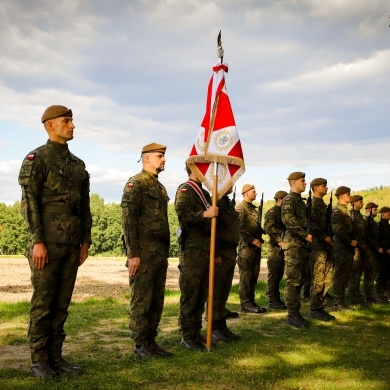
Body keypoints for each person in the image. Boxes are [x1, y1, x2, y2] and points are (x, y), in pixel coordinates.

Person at [18, 105, 92, 378]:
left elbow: (84, 207)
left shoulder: (77, 165)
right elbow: (30, 204)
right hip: (46, 242)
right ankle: (39, 361)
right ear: (50, 125)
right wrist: (37, 240)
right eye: (67, 121)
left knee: (61, 304)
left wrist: (85, 240)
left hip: (71, 244)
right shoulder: (36, 159)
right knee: (43, 303)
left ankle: (55, 358)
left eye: (72, 121)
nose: (72, 125)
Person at [121, 143, 171, 358]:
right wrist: (132, 254)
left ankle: (151, 340)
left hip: (158, 252)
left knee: (156, 299)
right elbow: (128, 220)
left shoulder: (159, 187)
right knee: (142, 299)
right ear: (147, 158)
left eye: (163, 156)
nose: (164, 159)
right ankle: (141, 344)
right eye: (160, 156)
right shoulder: (136, 183)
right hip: (142, 252)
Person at [175, 163, 219, 350]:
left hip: (205, 251)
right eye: (203, 169)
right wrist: (204, 214)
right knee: (190, 295)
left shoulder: (205, 193)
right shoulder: (186, 190)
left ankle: (196, 332)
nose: (206, 172)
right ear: (193, 169)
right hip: (192, 251)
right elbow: (183, 217)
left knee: (201, 294)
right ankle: (187, 335)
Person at [281, 172, 312, 327]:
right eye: (302, 181)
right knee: (293, 280)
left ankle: (296, 312)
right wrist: (305, 235)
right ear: (293, 183)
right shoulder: (289, 200)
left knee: (301, 278)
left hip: (301, 246)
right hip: (293, 245)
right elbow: (289, 222)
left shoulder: (301, 201)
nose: (305, 183)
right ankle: (292, 314)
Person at [211, 187, 241, 342]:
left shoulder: (226, 202)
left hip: (229, 251)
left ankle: (222, 325)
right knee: (216, 292)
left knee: (224, 292)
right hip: (220, 252)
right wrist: (215, 254)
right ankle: (214, 327)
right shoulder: (215, 201)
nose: (232, 184)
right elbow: (214, 230)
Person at [236, 184, 267, 314]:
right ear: (246, 193)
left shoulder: (253, 209)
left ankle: (250, 301)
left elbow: (254, 226)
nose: (255, 193)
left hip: (255, 247)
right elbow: (239, 228)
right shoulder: (241, 208)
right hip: (246, 248)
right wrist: (252, 240)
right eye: (253, 191)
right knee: (246, 276)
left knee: (254, 275)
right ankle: (245, 303)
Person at [307, 178, 335, 321]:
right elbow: (312, 225)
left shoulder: (323, 204)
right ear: (316, 188)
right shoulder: (312, 204)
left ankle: (320, 305)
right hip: (318, 247)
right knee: (318, 279)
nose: (326, 187)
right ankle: (315, 308)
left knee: (327, 278)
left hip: (326, 246)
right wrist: (325, 237)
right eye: (324, 186)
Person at [331, 186, 357, 311]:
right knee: (340, 275)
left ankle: (340, 301)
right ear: (341, 196)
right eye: (348, 194)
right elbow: (337, 229)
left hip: (346, 247)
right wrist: (349, 240)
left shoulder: (346, 210)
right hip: (341, 246)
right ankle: (338, 303)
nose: (350, 196)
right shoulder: (337, 210)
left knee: (345, 274)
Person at [264, 190, 288, 310]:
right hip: (275, 248)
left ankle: (276, 297)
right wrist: (279, 241)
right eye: (285, 199)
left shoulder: (283, 213)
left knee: (279, 274)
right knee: (274, 274)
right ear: (279, 199)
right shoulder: (272, 212)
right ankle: (272, 299)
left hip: (281, 247)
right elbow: (269, 228)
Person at [348, 195, 367, 305]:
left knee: (359, 272)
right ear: (354, 203)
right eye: (360, 201)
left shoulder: (360, 216)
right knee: (354, 273)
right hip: (354, 248)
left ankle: (357, 294)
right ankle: (353, 297)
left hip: (361, 247)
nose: (362, 203)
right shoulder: (351, 215)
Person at [363, 202, 381, 304]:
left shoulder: (373, 222)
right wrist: (376, 247)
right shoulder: (365, 222)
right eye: (374, 209)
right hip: (369, 251)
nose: (376, 211)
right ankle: (368, 296)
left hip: (374, 252)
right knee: (369, 274)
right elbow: (367, 238)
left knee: (373, 274)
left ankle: (370, 295)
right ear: (369, 210)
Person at [375, 206, 390, 303]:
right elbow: (380, 240)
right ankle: (380, 294)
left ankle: (385, 294)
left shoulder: (387, 225)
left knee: (387, 274)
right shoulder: (380, 225)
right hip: (383, 254)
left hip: (387, 254)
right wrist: (386, 248)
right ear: (383, 214)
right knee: (382, 274)